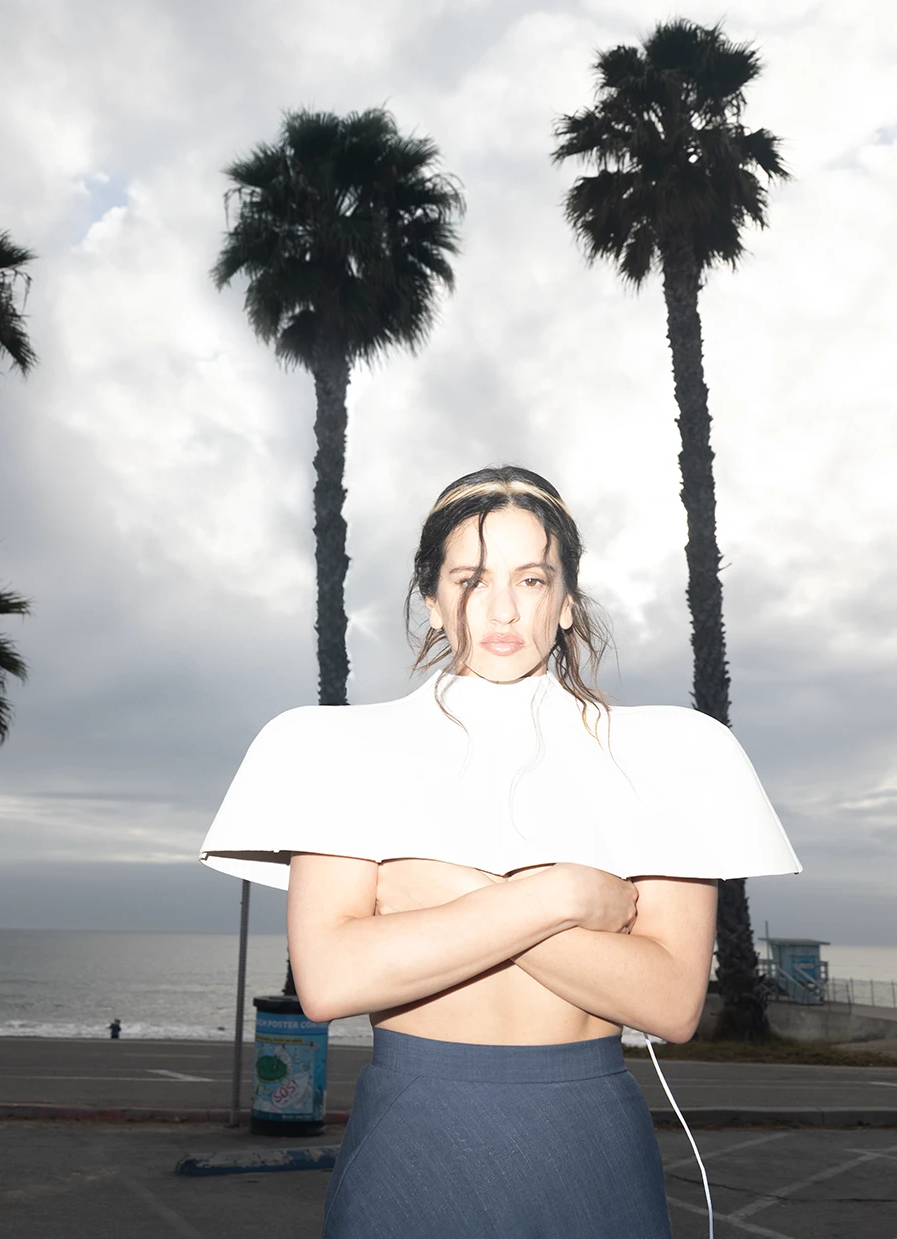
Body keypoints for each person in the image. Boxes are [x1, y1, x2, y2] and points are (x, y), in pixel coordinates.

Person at [199, 466, 802, 1238]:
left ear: (568, 599)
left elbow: (669, 1001)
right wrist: (555, 897)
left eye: (532, 578)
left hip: (590, 1148)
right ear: (430, 597)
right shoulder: (337, 750)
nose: (504, 608)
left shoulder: (674, 753)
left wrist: (440, 892)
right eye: (471, 579)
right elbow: (331, 978)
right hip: (411, 1144)